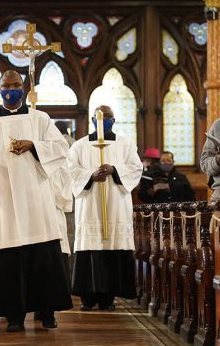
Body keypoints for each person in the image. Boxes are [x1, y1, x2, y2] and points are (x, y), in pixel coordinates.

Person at [0, 70, 72, 332]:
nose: (10, 89)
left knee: (43, 260)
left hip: (37, 199)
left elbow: (61, 149)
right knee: (8, 262)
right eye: (5, 86)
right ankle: (14, 315)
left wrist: (33, 145)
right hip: (4, 203)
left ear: (23, 88)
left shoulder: (40, 119)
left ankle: (47, 313)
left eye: (15, 85)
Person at [69, 105, 143, 311]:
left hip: (116, 203)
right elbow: (71, 170)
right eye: (99, 117)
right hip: (90, 203)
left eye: (107, 116)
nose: (103, 120)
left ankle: (108, 298)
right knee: (89, 246)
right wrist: (90, 176)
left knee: (113, 246)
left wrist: (115, 170)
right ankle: (87, 298)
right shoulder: (80, 145)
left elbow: (136, 168)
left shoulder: (125, 144)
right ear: (92, 119)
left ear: (114, 119)